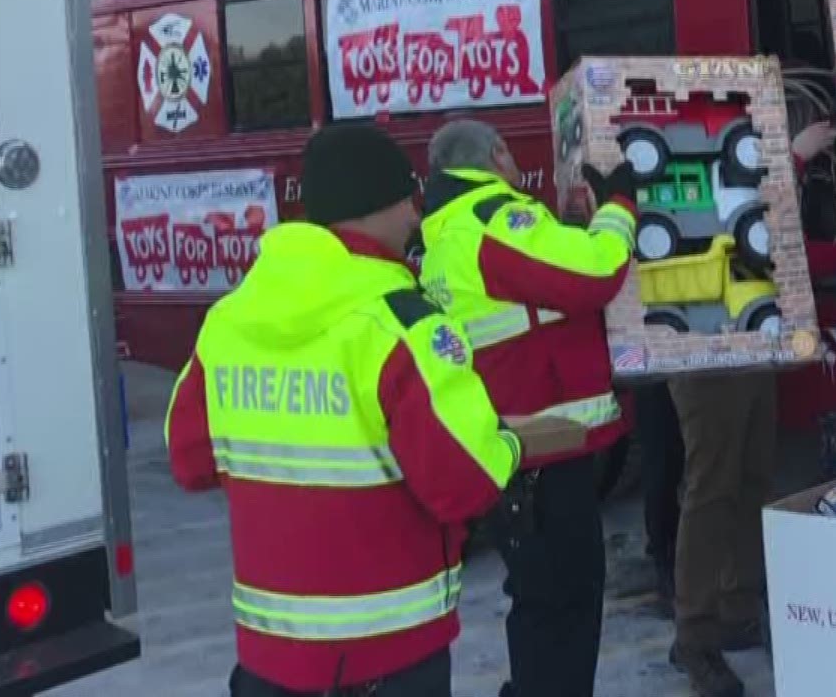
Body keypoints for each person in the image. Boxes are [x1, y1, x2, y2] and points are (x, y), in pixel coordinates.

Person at [165, 123, 572, 697]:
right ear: (382, 203)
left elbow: (189, 460)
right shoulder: (401, 322)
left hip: (269, 657)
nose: (415, 216)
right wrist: (506, 443)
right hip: (390, 652)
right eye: (409, 198)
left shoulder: (230, 318)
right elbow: (465, 481)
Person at [666, 120, 836, 697]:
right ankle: (693, 637)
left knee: (750, 478)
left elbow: (778, 254)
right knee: (711, 487)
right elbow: (747, 231)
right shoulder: (683, 180)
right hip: (703, 348)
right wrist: (793, 161)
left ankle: (737, 607)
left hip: (749, 343)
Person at [417, 118, 637, 697]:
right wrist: (619, 206)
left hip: (515, 445)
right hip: (544, 443)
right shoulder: (492, 217)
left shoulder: (447, 233)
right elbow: (593, 273)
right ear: (497, 154)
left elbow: (533, 294)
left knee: (540, 600)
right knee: (565, 601)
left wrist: (567, 226)